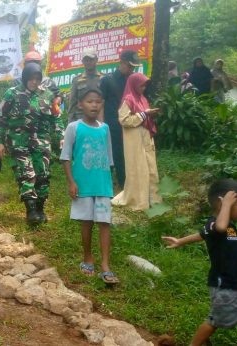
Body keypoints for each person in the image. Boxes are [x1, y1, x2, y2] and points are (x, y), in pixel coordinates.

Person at [161, 179, 237, 346]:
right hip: (225, 287)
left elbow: (201, 235)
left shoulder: (229, 226)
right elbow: (218, 228)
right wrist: (227, 204)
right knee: (214, 321)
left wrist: (180, 241)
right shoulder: (216, 224)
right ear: (224, 204)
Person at [60, 87, 118, 285]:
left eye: (98, 101)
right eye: (90, 101)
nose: (94, 105)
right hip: (83, 185)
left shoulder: (105, 128)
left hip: (102, 185)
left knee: (104, 223)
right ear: (80, 105)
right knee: (86, 222)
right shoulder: (74, 127)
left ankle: (105, 265)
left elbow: (109, 158)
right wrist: (71, 182)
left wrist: (110, 184)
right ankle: (87, 257)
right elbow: (65, 157)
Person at [0, 62, 60, 225]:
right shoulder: (12, 94)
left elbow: (56, 118)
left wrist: (62, 136)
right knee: (27, 174)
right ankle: (30, 210)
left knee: (42, 174)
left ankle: (40, 208)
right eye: (31, 79)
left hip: (41, 142)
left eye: (37, 79)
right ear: (25, 78)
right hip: (18, 142)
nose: (34, 82)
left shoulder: (47, 95)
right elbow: (1, 118)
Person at [111, 72, 162, 210]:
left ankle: (152, 198)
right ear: (133, 85)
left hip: (145, 137)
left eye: (145, 85)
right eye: (141, 85)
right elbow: (124, 119)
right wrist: (145, 114)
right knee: (138, 167)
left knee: (150, 166)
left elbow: (145, 115)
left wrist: (151, 114)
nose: (143, 88)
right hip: (134, 138)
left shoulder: (143, 99)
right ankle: (138, 200)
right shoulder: (128, 99)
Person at [99, 49, 138, 187]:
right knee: (113, 154)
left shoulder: (132, 80)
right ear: (121, 63)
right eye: (130, 66)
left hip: (129, 122)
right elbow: (101, 103)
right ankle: (112, 183)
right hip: (111, 123)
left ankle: (126, 182)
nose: (132, 69)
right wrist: (101, 124)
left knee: (127, 153)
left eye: (133, 67)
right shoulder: (107, 80)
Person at [67, 49, 103, 123]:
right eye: (86, 60)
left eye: (91, 59)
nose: (88, 62)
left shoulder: (103, 79)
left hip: (99, 120)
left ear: (96, 60)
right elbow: (72, 104)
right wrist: (70, 123)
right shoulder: (77, 80)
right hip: (81, 120)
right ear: (83, 61)